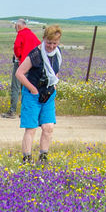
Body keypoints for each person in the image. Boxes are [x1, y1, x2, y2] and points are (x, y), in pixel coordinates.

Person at [15, 24, 62, 162]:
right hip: (33, 94)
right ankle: (27, 158)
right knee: (31, 128)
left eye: (54, 43)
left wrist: (54, 85)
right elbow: (20, 73)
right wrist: (33, 89)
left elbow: (55, 71)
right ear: (44, 39)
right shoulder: (35, 55)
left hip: (48, 93)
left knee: (48, 127)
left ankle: (43, 157)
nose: (51, 46)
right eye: (49, 43)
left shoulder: (57, 53)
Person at [2, 18, 40, 118]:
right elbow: (39, 46)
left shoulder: (21, 34)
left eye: (15, 27)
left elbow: (17, 48)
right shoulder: (32, 34)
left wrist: (19, 57)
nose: (15, 29)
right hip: (31, 65)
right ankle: (26, 111)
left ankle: (12, 111)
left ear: (19, 26)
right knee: (27, 88)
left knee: (15, 87)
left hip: (20, 64)